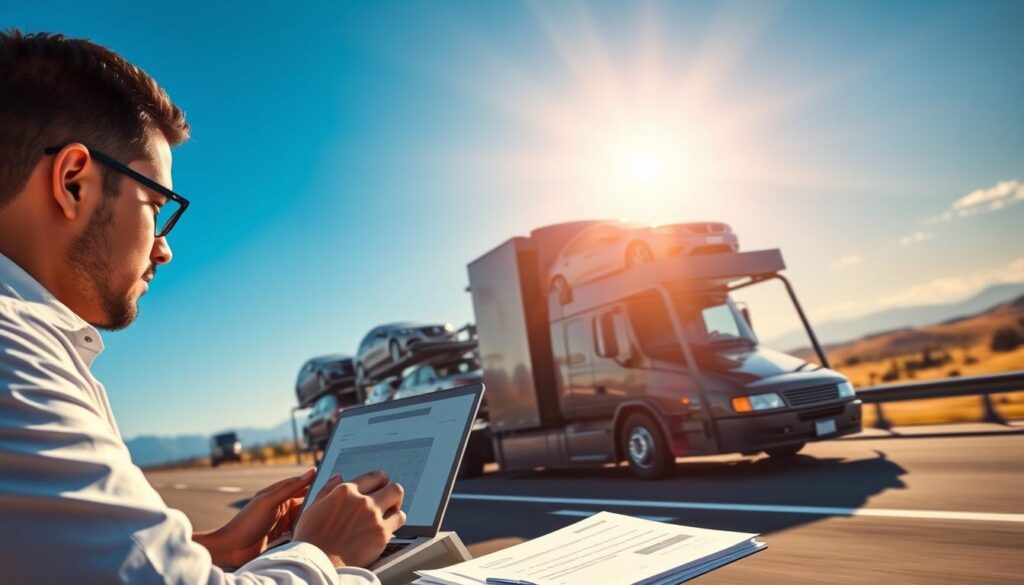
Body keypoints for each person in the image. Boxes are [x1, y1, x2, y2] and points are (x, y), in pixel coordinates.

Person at [0, 30, 406, 583]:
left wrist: (213, 549)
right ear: (74, 182)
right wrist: (325, 554)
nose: (164, 248)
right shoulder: (15, 353)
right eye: (158, 207)